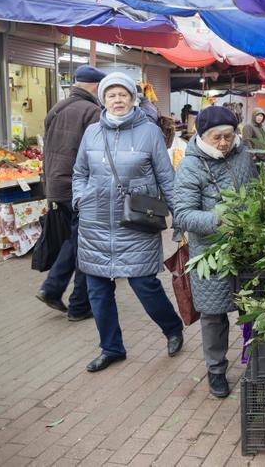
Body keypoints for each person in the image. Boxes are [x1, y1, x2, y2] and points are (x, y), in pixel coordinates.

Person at [72, 71, 183, 373]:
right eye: (111, 95)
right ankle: (111, 348)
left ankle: (172, 328)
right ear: (103, 99)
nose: (117, 100)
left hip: (135, 221)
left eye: (123, 94)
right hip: (95, 223)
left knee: (144, 284)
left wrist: (179, 219)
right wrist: (79, 198)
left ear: (133, 98)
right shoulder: (92, 132)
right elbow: (80, 172)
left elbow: (166, 178)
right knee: (97, 289)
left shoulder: (149, 132)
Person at [174, 106, 258, 397]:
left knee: (256, 306)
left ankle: (257, 360)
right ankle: (216, 370)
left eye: (228, 136)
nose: (223, 143)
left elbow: (258, 191)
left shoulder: (244, 156)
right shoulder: (190, 165)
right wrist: (218, 221)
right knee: (213, 314)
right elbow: (183, 214)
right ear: (202, 136)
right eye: (215, 137)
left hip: (249, 247)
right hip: (210, 252)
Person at [36, 65, 106, 321]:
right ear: (97, 87)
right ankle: (77, 304)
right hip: (78, 188)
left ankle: (53, 289)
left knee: (75, 240)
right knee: (86, 243)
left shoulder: (57, 108)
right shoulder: (93, 112)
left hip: (55, 185)